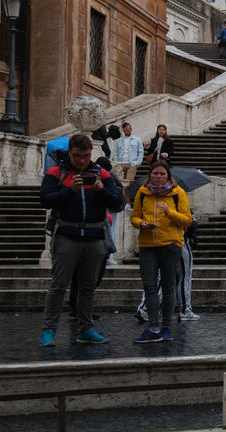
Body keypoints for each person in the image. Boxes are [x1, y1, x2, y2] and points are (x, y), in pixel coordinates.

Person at [39, 135, 125, 346]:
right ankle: (49, 330)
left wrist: (101, 191)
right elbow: (45, 200)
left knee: (88, 287)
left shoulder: (102, 174)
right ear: (69, 153)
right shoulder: (56, 172)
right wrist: (69, 190)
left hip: (94, 236)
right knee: (58, 285)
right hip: (67, 235)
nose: (81, 161)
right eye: (77, 156)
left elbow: (118, 203)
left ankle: (85, 328)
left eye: (86, 156)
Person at [129, 161, 192, 343]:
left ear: (168, 176)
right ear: (150, 175)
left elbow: (187, 220)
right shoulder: (142, 193)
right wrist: (141, 223)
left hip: (171, 244)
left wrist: (169, 212)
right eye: (155, 173)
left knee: (168, 286)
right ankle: (153, 327)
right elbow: (134, 216)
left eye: (162, 174)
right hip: (147, 244)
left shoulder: (177, 193)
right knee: (149, 286)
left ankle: (165, 327)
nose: (158, 177)